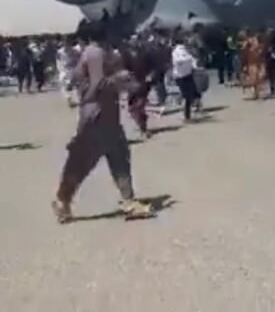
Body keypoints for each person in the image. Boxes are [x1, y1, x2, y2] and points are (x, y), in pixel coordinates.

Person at [51, 21, 153, 223]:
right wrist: (119, 78)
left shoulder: (99, 52)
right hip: (98, 114)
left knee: (118, 155)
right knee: (84, 161)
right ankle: (63, 200)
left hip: (104, 112)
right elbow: (99, 85)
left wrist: (125, 82)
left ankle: (128, 200)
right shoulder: (95, 53)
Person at [171, 35, 199, 122]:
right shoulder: (176, 51)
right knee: (187, 96)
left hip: (187, 74)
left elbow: (192, 60)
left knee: (193, 94)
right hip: (181, 76)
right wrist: (188, 59)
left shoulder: (185, 50)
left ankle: (188, 111)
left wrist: (194, 65)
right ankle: (186, 115)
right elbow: (178, 61)